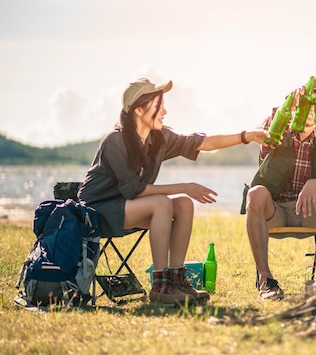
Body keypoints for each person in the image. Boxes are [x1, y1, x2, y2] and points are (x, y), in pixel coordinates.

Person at [78, 77, 267, 305]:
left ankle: (177, 279)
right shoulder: (115, 140)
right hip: (95, 214)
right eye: (158, 105)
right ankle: (160, 286)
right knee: (162, 202)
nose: (164, 111)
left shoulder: (157, 139)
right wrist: (185, 186)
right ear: (138, 110)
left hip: (128, 207)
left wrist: (247, 136)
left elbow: (204, 143)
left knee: (184, 203)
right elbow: (133, 190)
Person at [244, 78, 316, 300]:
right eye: (308, 102)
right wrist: (288, 107)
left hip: (310, 212)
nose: (313, 108)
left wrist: (315, 183)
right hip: (276, 211)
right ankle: (266, 281)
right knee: (255, 193)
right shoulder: (280, 126)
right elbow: (266, 133)